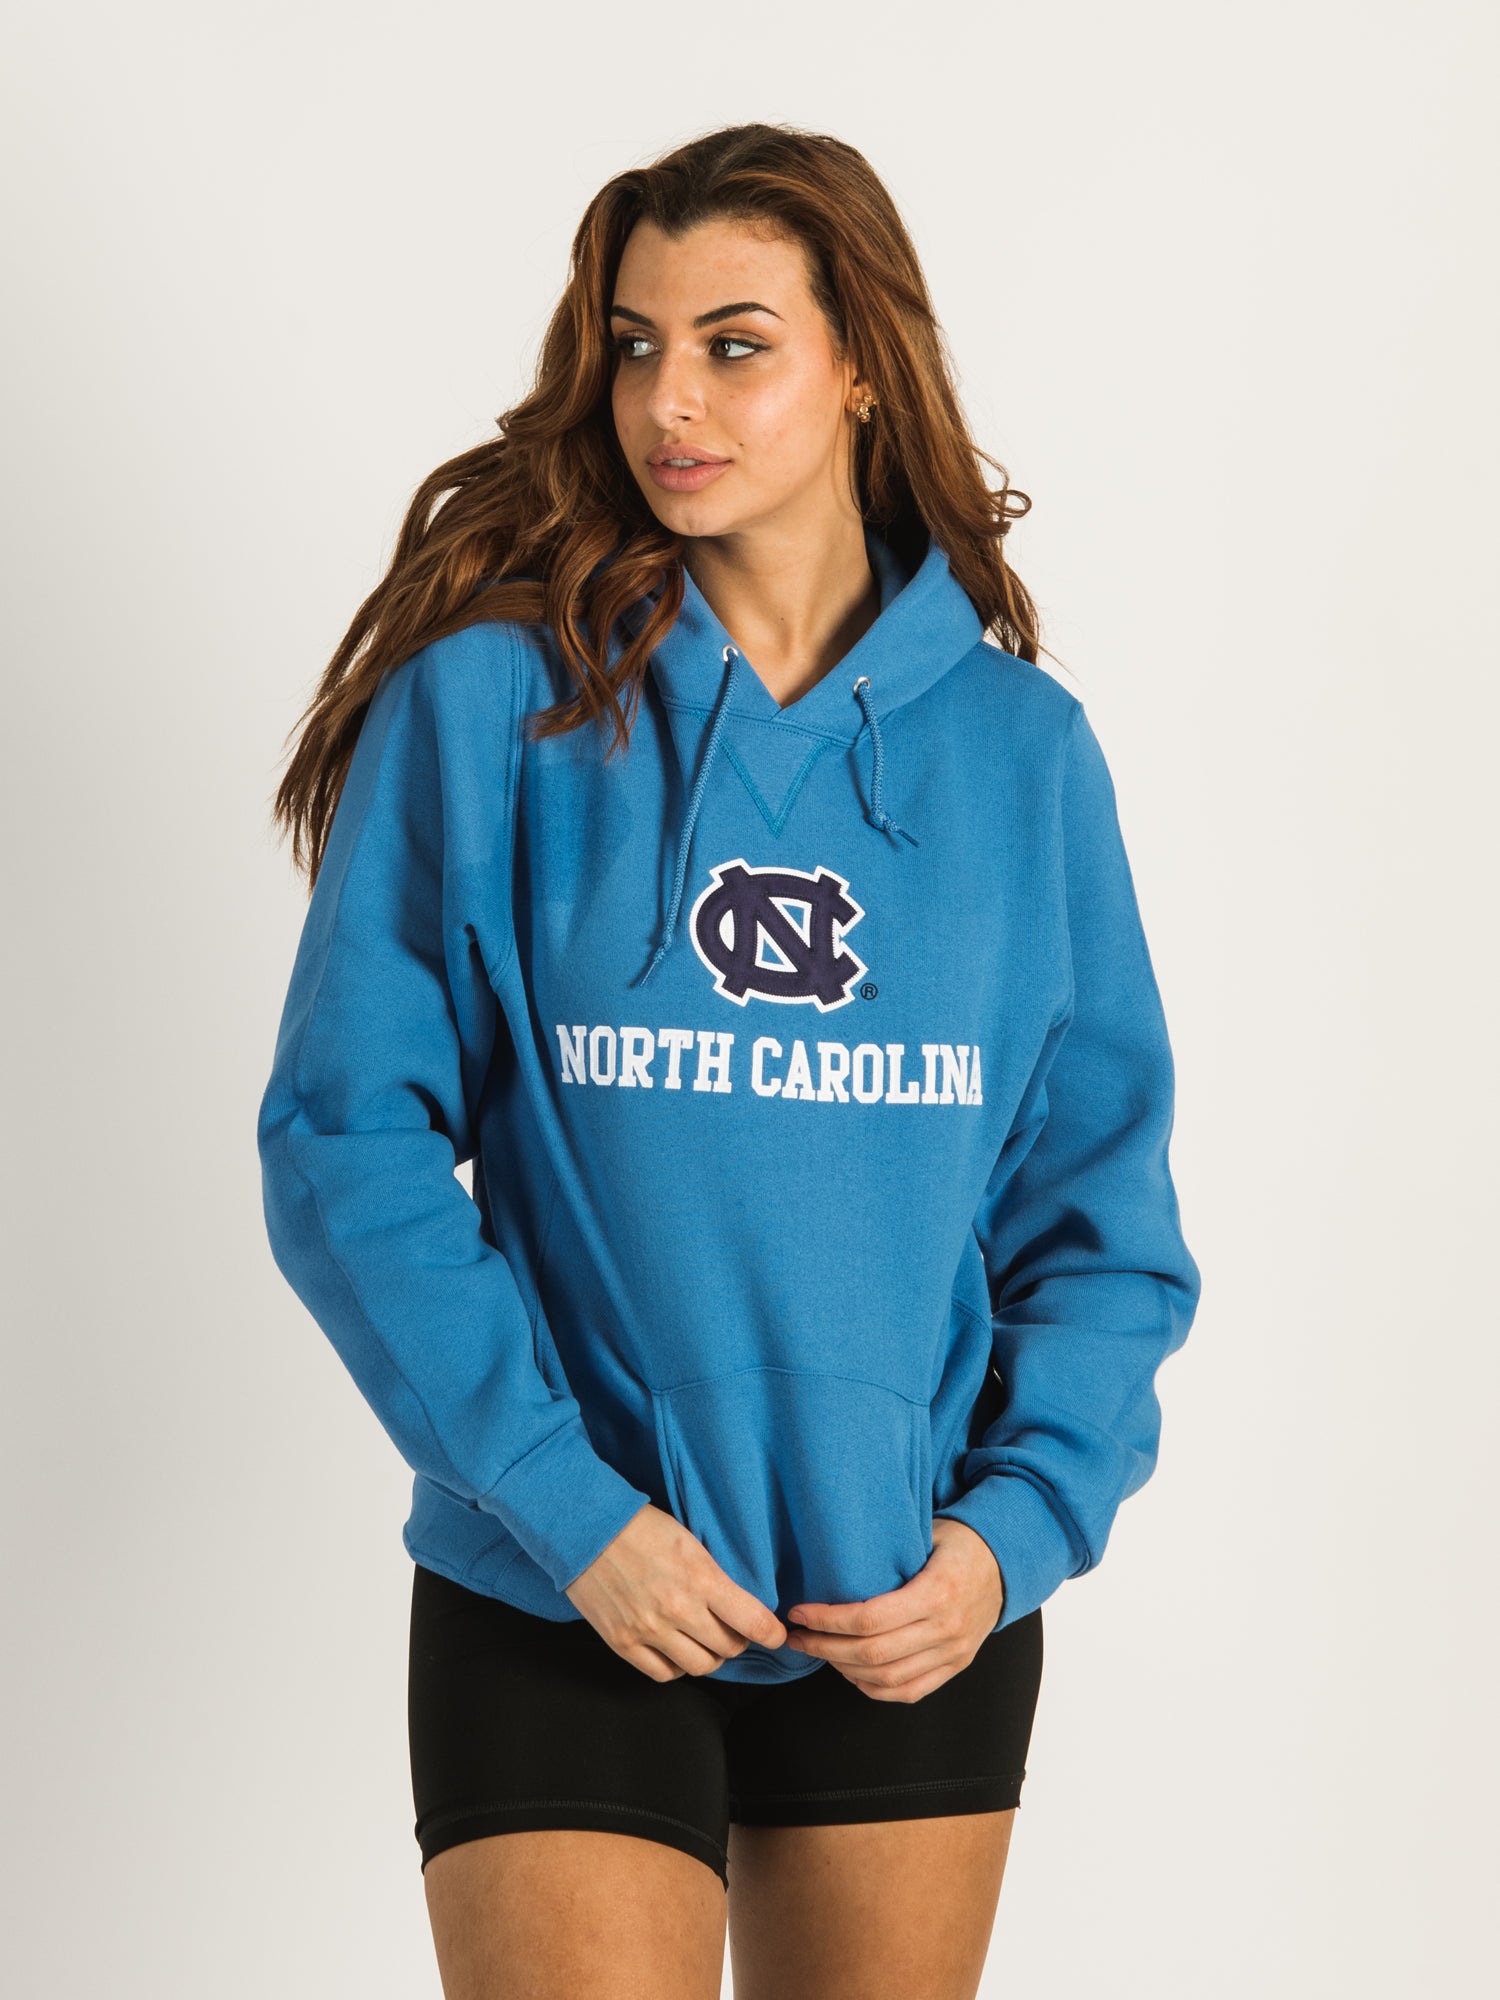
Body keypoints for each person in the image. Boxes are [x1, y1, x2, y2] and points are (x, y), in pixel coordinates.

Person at [256, 120, 1202, 2000]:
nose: (666, 401)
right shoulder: (495, 710)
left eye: (734, 344)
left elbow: (1099, 1220)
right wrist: (565, 1504)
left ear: (863, 367)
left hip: (902, 1611)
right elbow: (346, 1143)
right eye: (634, 346)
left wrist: (1005, 1542)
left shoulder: (1020, 757)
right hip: (562, 1582)